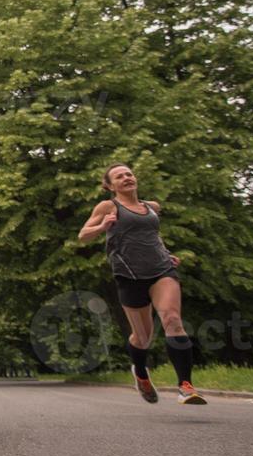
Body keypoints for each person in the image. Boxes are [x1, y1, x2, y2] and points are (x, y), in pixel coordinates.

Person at [77, 163, 206, 406]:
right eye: (119, 176)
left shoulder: (152, 207)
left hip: (161, 271)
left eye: (129, 173)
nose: (126, 178)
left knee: (172, 319)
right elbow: (83, 234)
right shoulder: (108, 206)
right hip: (129, 275)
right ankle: (141, 372)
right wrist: (103, 226)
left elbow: (152, 234)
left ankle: (185, 386)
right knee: (143, 337)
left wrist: (165, 252)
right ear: (109, 185)